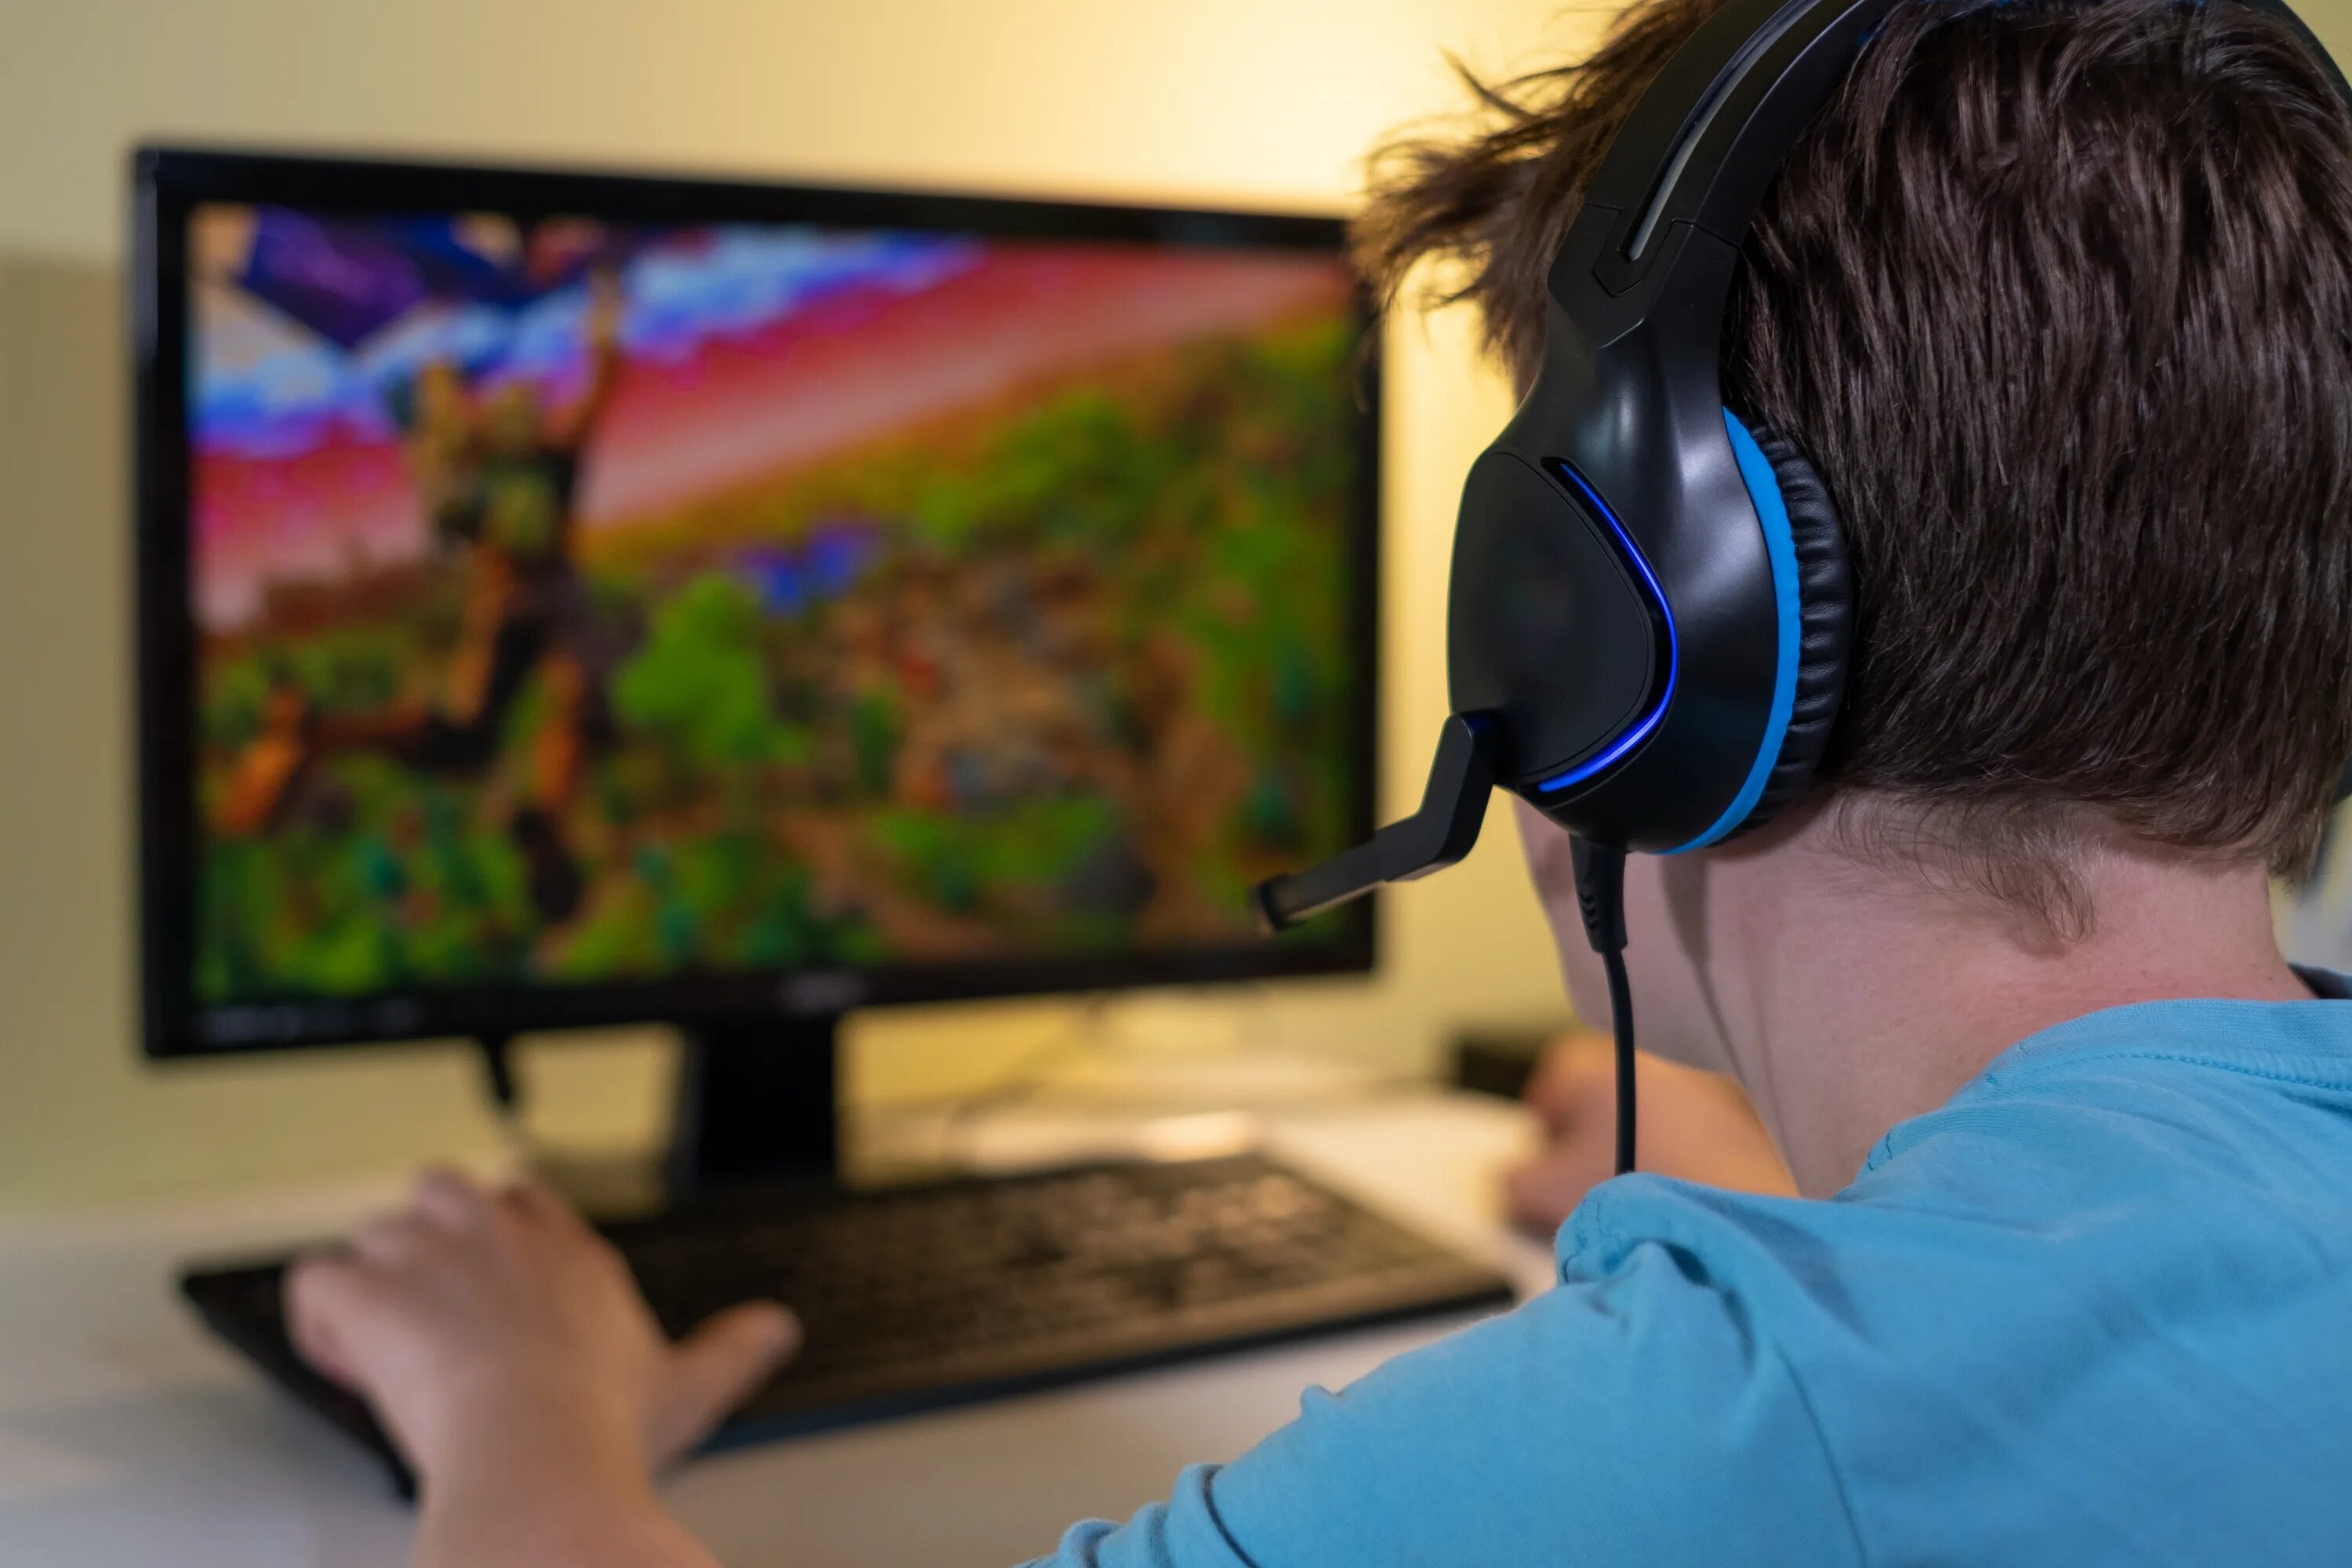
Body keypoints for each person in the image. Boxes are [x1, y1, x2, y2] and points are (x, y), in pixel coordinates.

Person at [281, 0, 2352, 1562]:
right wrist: (1768, 1205)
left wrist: (520, 1408)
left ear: (1611, 633)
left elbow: (1828, 1429)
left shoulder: (1692, 1439)